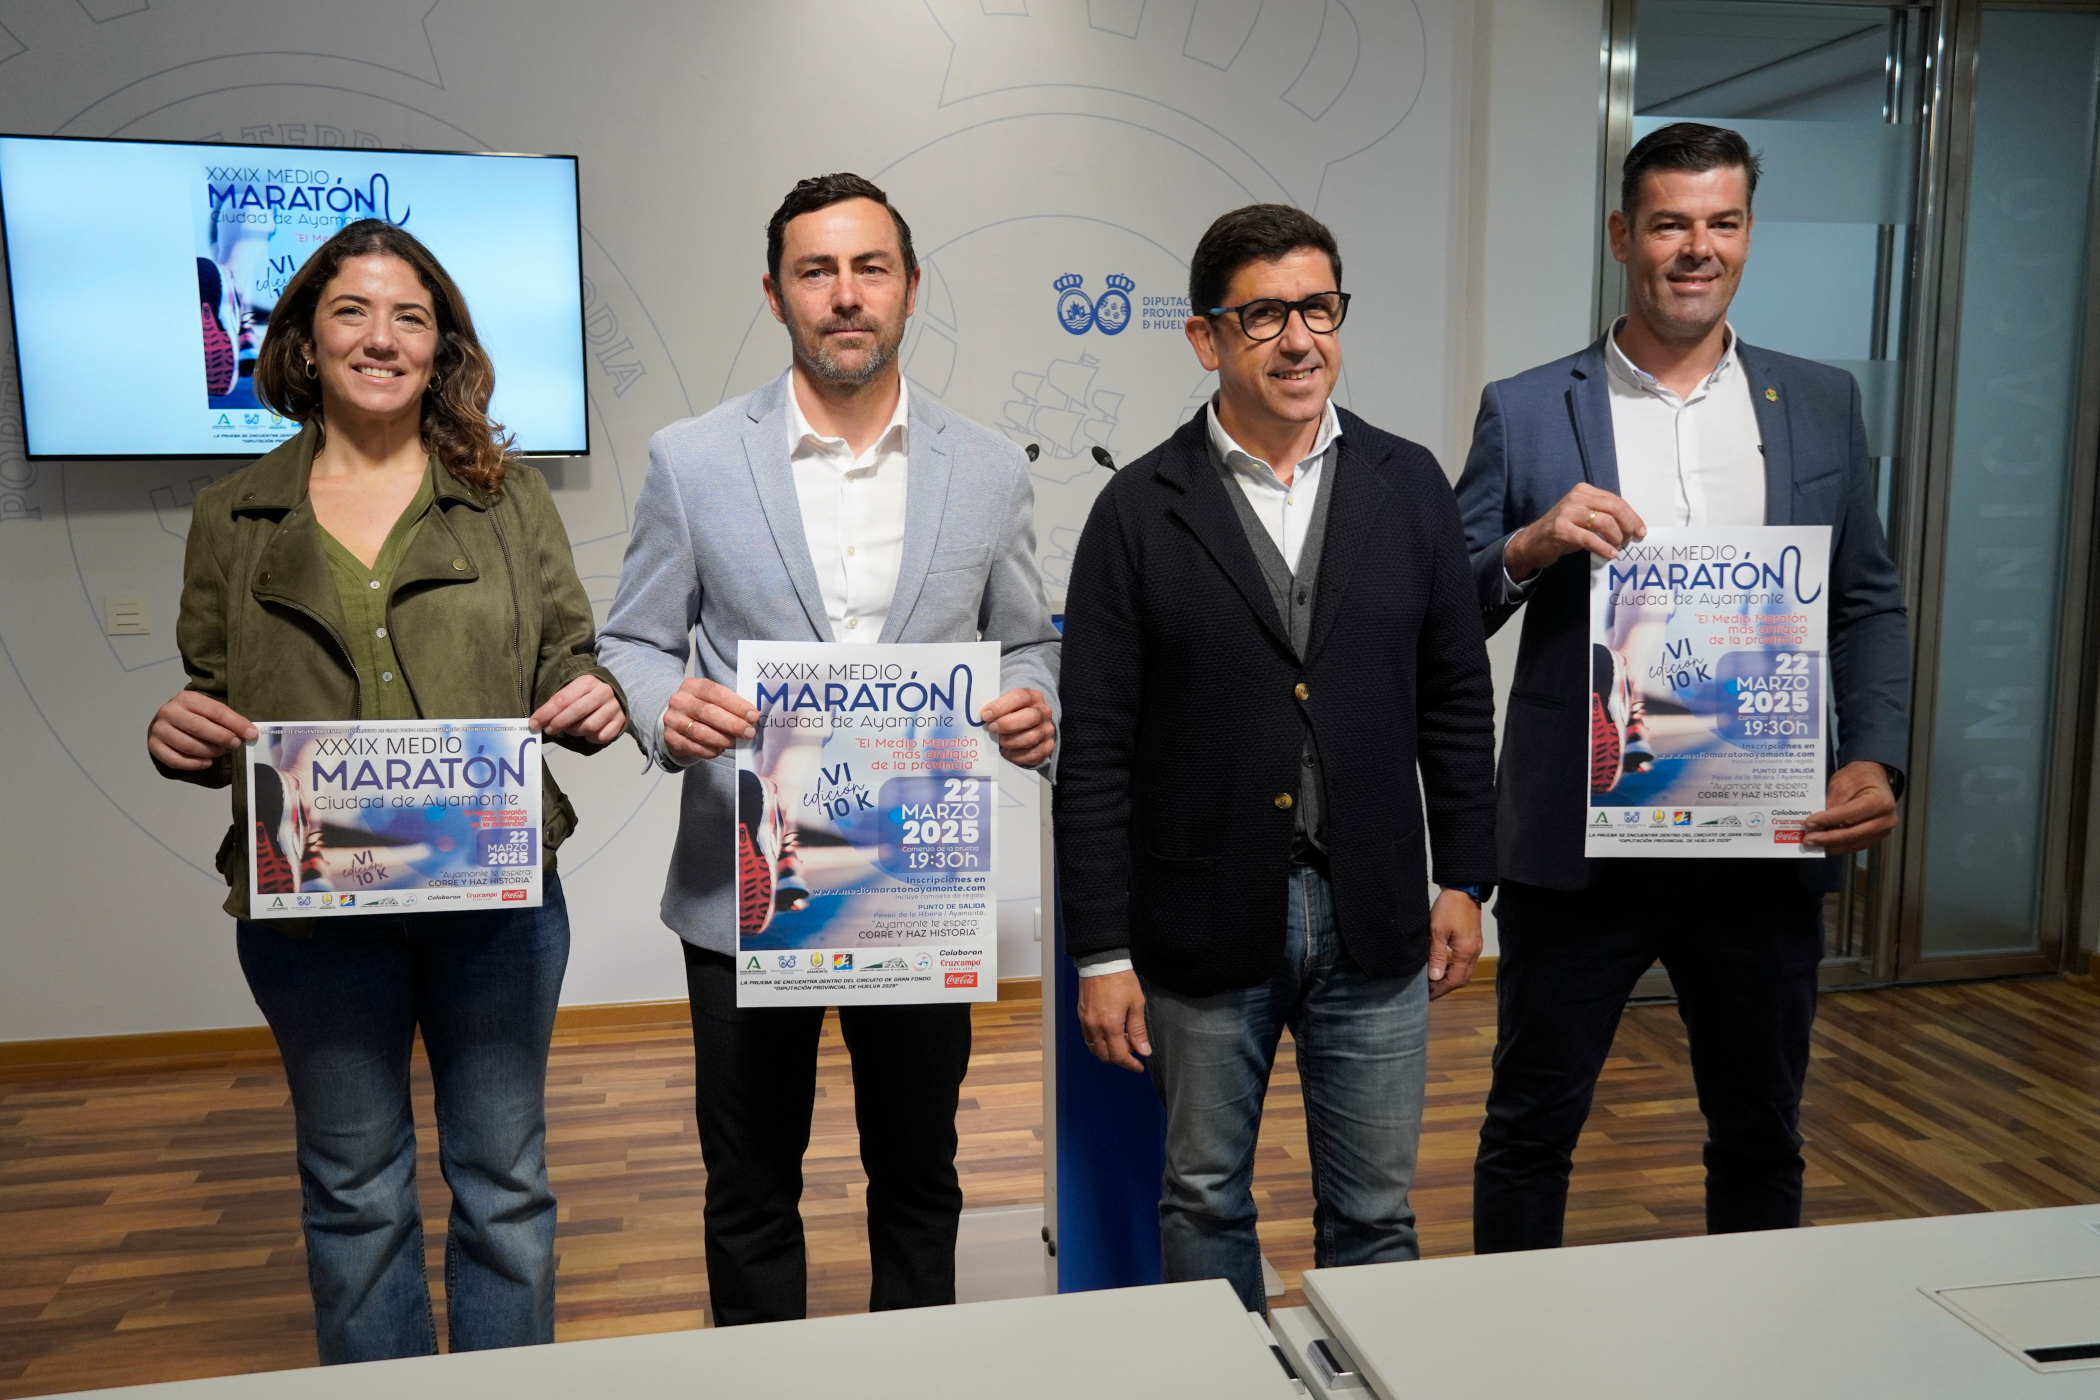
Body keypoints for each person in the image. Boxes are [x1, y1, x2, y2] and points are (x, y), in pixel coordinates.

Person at [146, 219, 628, 1362]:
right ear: (304, 341)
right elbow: (214, 698)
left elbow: (570, 655)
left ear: (440, 347)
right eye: (352, 311)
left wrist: (596, 696)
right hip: (313, 913)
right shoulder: (230, 515)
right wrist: (184, 734)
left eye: (410, 317)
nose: (381, 337)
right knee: (355, 1190)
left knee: (504, 1182)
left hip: (497, 900)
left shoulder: (511, 500)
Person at [596, 173, 1060, 1325]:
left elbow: (1027, 641)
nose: (845, 295)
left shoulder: (989, 466)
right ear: (776, 293)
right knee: (751, 1188)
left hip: (915, 885)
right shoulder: (694, 459)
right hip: (746, 888)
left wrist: (1033, 701)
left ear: (909, 286)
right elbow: (634, 640)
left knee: (920, 1179)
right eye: (816, 271)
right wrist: (664, 707)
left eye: (869, 268)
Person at [1456, 123, 1909, 1252]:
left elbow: (1865, 599)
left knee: (1761, 1134)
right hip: (1580, 843)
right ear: (1624, 236)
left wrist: (1874, 756)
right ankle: (1497, 1335)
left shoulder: (1820, 401)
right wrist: (1531, 543)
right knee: (1530, 1130)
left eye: (1723, 223)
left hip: (1762, 835)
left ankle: (1747, 1337)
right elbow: (1445, 607)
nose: (1697, 248)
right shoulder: (1527, 406)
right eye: (1670, 224)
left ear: (1747, 235)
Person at [1054, 204, 1498, 1314]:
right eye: (1264, 316)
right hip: (1203, 916)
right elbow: (1095, 749)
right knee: (1204, 1197)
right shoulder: (1136, 511)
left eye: (1319, 309)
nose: (1299, 339)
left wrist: (1466, 877)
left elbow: (1455, 696)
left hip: (1378, 912)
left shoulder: (1408, 484)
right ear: (1205, 337)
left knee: (1377, 1210)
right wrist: (1101, 950)